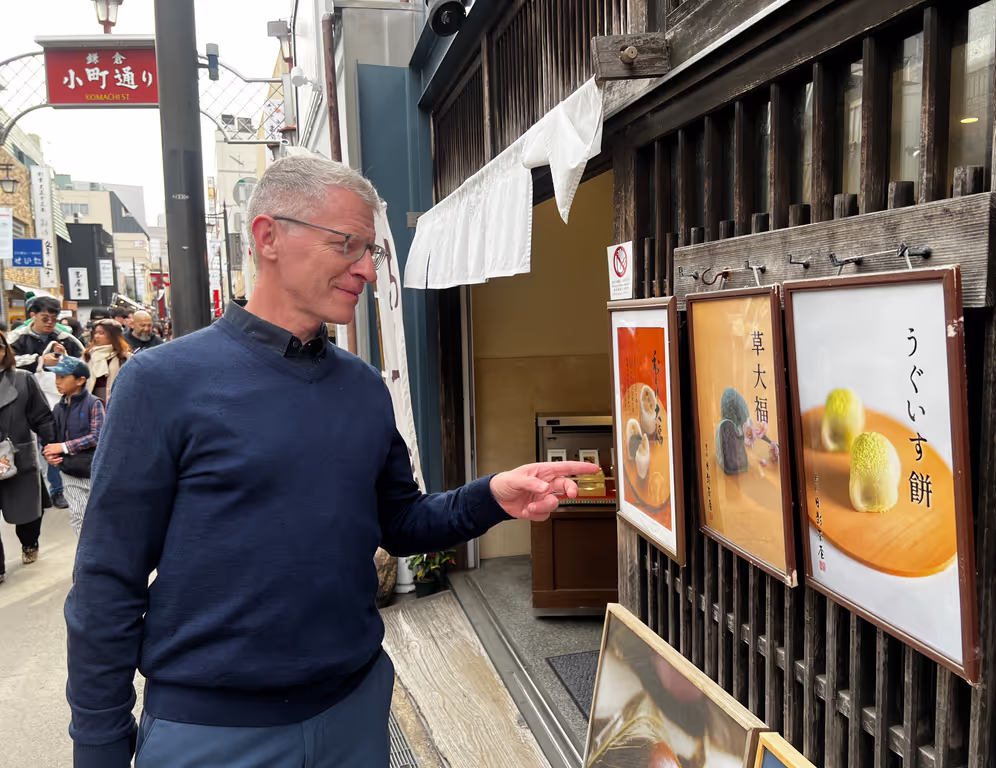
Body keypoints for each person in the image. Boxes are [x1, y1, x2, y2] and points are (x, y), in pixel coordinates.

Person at [65, 155, 596, 768]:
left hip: (356, 708)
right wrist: (100, 746)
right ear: (268, 236)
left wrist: (491, 497)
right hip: (211, 729)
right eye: (348, 244)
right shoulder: (161, 384)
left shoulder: (365, 389)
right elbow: (107, 581)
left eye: (372, 250)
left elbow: (399, 522)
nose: (367, 269)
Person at [7, 295, 84, 510]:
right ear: (32, 315)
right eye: (45, 318)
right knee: (26, 448)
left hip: (55, 402)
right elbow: (7, 362)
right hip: (22, 402)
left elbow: (83, 360)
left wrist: (64, 358)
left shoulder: (65, 337)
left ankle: (57, 490)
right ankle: (35, 490)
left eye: (53, 317)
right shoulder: (16, 338)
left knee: (52, 443)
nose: (50, 322)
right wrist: (40, 360)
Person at [0, 329, 57, 582]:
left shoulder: (23, 379)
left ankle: (29, 542)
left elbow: (42, 417)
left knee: (27, 513)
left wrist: (54, 444)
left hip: (18, 456)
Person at [42, 357, 104, 537]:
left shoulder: (94, 403)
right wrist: (49, 454)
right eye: (56, 377)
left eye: (62, 377)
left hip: (93, 470)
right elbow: (53, 439)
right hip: (69, 472)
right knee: (78, 515)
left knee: (98, 515)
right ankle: (87, 558)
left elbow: (97, 436)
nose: (57, 382)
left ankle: (102, 554)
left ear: (80, 380)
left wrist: (63, 447)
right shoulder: (58, 408)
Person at [83, 319, 132, 403]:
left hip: (116, 401)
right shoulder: (88, 355)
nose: (96, 336)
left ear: (113, 335)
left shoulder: (125, 357)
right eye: (95, 333)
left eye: (101, 333)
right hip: (91, 401)